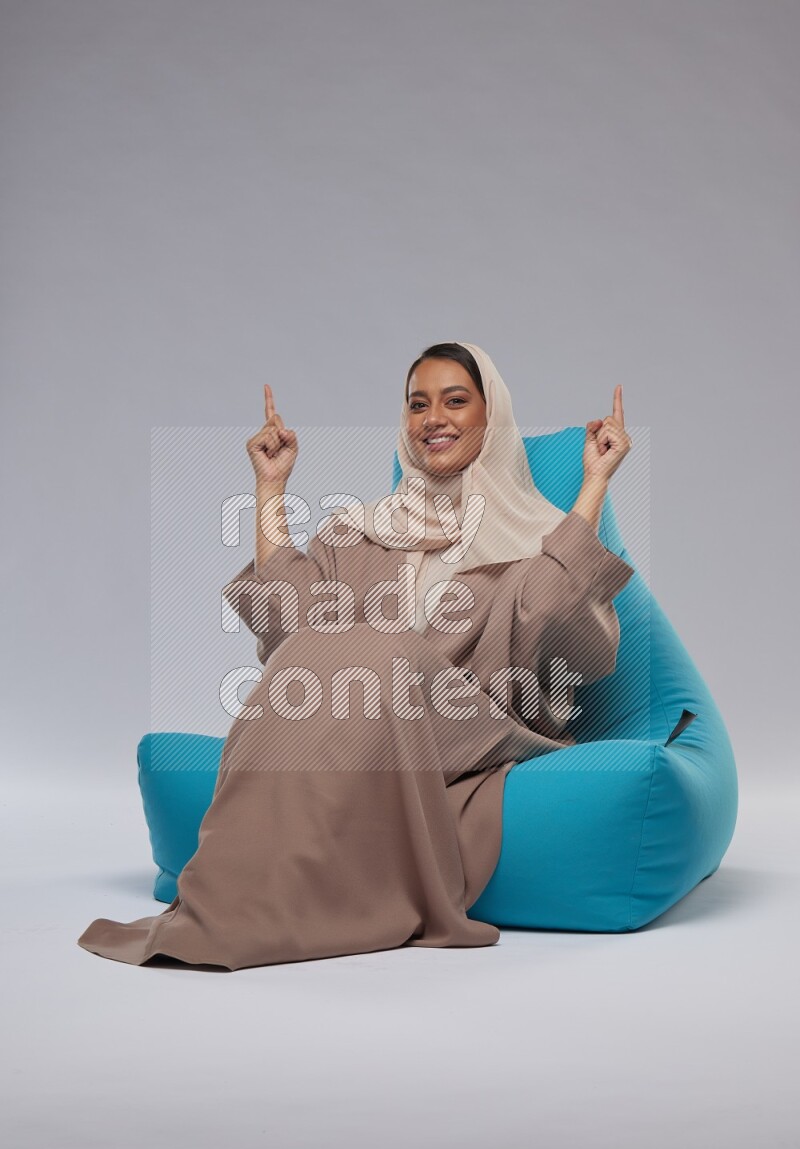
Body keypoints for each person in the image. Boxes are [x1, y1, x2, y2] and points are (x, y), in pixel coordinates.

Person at [77, 341, 634, 970]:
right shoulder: (362, 528)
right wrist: (269, 489)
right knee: (333, 654)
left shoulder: (539, 534)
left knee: (380, 650)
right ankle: (234, 899)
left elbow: (554, 612)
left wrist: (594, 483)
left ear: (491, 416)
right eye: (418, 404)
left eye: (456, 401)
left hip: (469, 724)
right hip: (365, 725)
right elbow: (292, 628)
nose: (434, 418)